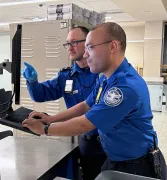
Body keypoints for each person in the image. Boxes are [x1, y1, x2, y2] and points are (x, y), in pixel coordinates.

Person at [22, 22, 167, 180]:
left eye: (89, 47)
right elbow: (85, 105)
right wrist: (51, 119)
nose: (85, 54)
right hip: (113, 157)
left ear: (112, 47)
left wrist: (45, 129)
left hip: (134, 164)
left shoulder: (124, 87)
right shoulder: (105, 78)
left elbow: (85, 124)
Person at [22, 26, 106, 180]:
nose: (70, 47)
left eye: (74, 42)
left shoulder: (103, 74)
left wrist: (48, 126)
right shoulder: (66, 76)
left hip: (108, 142)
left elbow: (90, 110)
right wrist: (32, 81)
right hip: (87, 141)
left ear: (88, 44)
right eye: (67, 43)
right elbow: (40, 95)